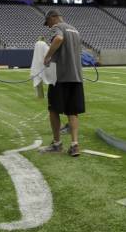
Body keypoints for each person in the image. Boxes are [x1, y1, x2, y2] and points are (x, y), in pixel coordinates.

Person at [39, 10, 84, 157]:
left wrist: (47, 56)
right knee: (73, 111)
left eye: (48, 22)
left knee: (53, 110)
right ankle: (74, 145)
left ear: (53, 18)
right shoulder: (75, 30)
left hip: (60, 76)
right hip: (76, 77)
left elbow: (58, 39)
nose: (48, 26)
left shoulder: (58, 27)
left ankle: (57, 144)